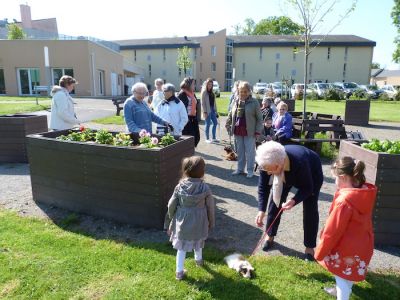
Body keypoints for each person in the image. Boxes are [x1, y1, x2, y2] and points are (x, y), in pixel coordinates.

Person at [315, 157, 377, 300]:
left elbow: (333, 231)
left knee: (341, 277)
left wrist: (321, 250)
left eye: (335, 178)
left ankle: (342, 295)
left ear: (342, 178)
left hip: (345, 248)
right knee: (348, 272)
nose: (335, 181)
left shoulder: (344, 201)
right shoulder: (363, 193)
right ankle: (341, 291)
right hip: (363, 244)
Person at [255, 141, 323, 260]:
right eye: (266, 170)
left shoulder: (300, 162)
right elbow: (263, 187)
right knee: (275, 200)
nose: (268, 173)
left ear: (279, 165)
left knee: (310, 207)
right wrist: (261, 209)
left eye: (270, 170)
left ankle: (309, 247)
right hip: (287, 168)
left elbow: (307, 188)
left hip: (311, 170)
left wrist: (294, 200)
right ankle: (270, 235)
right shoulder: (266, 162)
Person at [164, 156, 215, 280]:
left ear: (185, 170)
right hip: (200, 221)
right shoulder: (205, 188)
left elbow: (171, 205)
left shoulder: (179, 186)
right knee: (198, 242)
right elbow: (210, 207)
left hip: (183, 221)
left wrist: (169, 219)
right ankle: (199, 261)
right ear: (203, 172)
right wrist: (211, 222)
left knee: (181, 248)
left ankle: (179, 272)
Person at [225, 81, 263, 178]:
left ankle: (250, 170)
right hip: (237, 129)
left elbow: (259, 119)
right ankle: (240, 169)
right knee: (240, 151)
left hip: (250, 131)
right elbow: (231, 113)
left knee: (250, 152)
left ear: (249, 92)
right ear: (238, 91)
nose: (243, 93)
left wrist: (258, 131)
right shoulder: (236, 100)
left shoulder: (254, 102)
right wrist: (227, 123)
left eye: (245, 91)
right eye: (241, 91)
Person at [178, 77, 201, 147]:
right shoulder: (181, 94)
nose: (194, 85)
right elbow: (180, 109)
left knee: (196, 136)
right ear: (188, 84)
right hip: (186, 120)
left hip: (193, 118)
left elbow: (195, 105)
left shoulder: (192, 93)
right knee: (188, 138)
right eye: (193, 84)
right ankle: (188, 151)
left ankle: (190, 149)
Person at [201, 78, 219, 143]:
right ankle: (207, 138)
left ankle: (214, 138)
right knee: (208, 124)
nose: (210, 85)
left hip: (212, 110)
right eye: (209, 84)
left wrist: (216, 111)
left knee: (215, 123)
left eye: (211, 84)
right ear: (206, 84)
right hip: (207, 110)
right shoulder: (204, 92)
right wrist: (204, 112)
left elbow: (214, 103)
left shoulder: (212, 93)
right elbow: (202, 103)